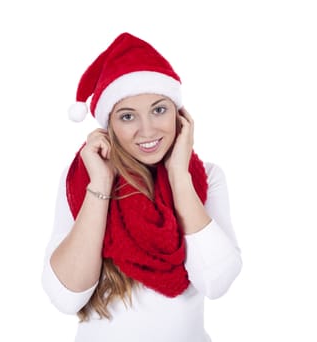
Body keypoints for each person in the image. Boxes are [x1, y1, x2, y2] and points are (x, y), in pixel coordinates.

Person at [42, 32, 242, 342]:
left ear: (180, 115)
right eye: (127, 116)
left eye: (159, 110)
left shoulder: (206, 177)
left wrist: (178, 175)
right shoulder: (83, 179)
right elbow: (67, 297)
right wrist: (101, 184)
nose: (147, 130)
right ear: (109, 125)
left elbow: (217, 282)